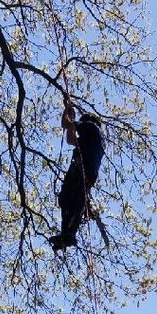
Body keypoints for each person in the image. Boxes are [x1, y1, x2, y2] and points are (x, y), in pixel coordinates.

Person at [49, 100, 104, 251]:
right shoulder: (93, 138)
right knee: (66, 199)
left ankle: (69, 234)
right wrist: (71, 120)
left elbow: (65, 124)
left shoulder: (90, 127)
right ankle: (66, 234)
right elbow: (70, 139)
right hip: (87, 172)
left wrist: (67, 112)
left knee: (73, 201)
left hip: (81, 170)